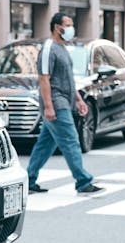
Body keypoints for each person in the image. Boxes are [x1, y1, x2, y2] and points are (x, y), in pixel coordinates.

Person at [26, 12, 104, 196]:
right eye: (67, 25)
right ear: (57, 27)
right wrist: (49, 106)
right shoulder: (48, 49)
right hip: (56, 102)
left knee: (45, 144)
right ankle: (83, 181)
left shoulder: (62, 48)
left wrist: (78, 99)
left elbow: (67, 79)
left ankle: (28, 179)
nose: (70, 28)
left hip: (64, 101)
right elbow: (44, 79)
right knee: (71, 141)